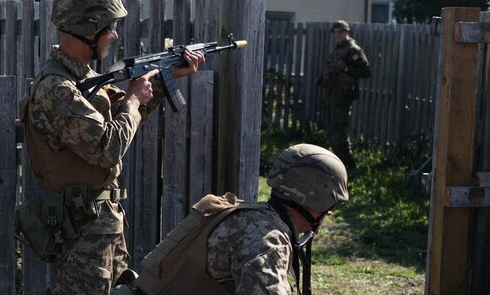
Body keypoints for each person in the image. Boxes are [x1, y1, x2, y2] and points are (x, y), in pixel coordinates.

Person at [18, 0, 204, 294]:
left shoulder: (86, 80)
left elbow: (125, 120)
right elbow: (107, 148)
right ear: (89, 30)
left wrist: (164, 80)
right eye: (109, 28)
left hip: (103, 224)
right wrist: (132, 98)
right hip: (82, 229)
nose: (114, 36)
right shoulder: (57, 88)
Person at [120, 143, 349, 295]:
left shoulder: (249, 218)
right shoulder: (266, 239)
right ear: (317, 199)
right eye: (330, 204)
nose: (329, 212)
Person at [317, 20, 370, 170]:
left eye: (341, 32)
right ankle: (338, 165)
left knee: (338, 133)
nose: (338, 35)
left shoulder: (353, 50)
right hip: (333, 95)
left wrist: (346, 69)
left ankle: (348, 165)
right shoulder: (339, 49)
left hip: (343, 96)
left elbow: (365, 72)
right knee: (332, 131)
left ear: (347, 32)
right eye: (336, 32)